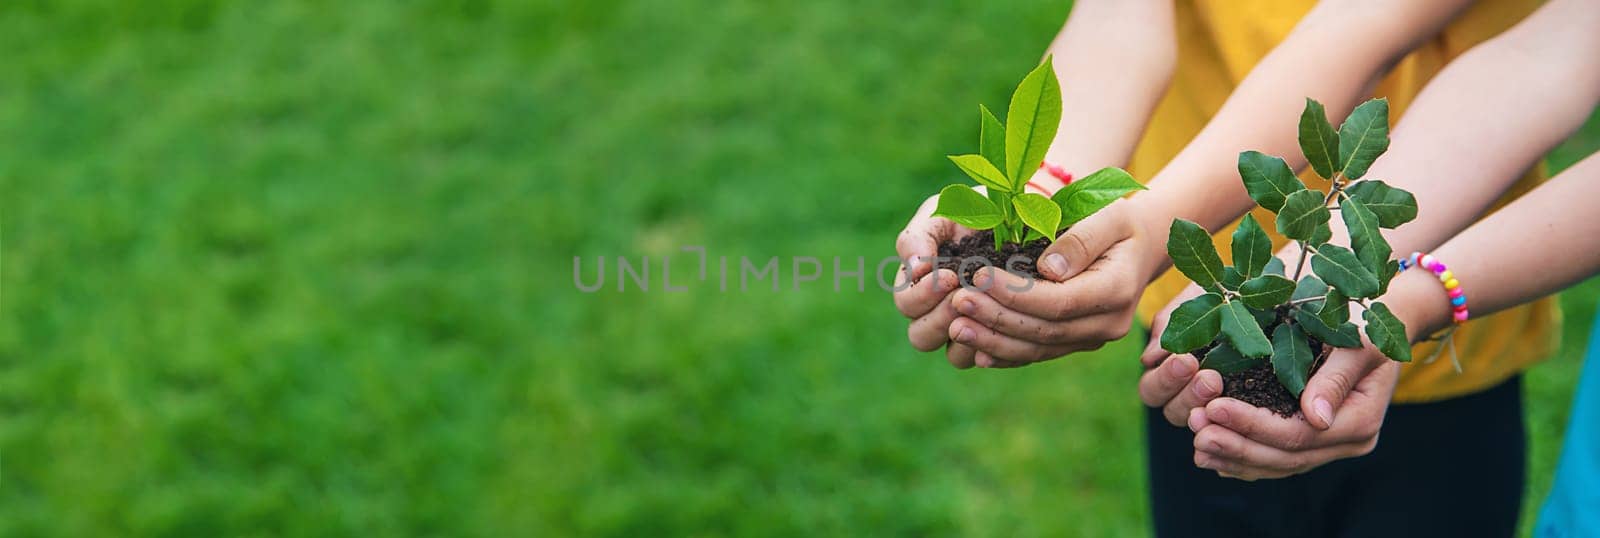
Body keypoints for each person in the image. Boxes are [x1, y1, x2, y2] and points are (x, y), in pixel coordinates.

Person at [891, 0, 1600, 535]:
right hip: (1203, 344)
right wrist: (1046, 189)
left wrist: (1415, 293)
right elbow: (1117, 22)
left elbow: (1384, 31)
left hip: (1450, 365)